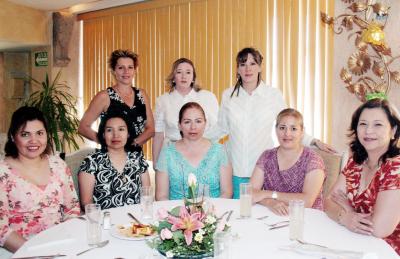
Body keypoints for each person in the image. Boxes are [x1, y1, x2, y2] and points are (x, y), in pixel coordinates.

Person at [216, 47, 335, 198]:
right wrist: (190, 139)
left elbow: (288, 124)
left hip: (263, 171)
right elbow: (220, 129)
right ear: (237, 69)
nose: (248, 69)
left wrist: (314, 141)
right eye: (243, 64)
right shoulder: (228, 95)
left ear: (260, 67)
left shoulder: (272, 95)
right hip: (235, 170)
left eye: (253, 64)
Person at [325, 98, 400, 254]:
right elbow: (327, 202)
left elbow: (379, 229)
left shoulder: (395, 167)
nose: (368, 131)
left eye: (377, 124)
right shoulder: (356, 163)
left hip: (387, 250)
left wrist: (349, 209)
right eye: (363, 124)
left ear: (393, 131)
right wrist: (344, 217)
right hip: (356, 241)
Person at [0, 106, 80, 253]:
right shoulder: (2, 172)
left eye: (39, 133)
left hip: (60, 244)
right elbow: (1, 229)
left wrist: (66, 242)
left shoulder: (58, 165)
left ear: (47, 135)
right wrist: (36, 252)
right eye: (25, 134)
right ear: (13, 137)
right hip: (18, 249)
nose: (34, 140)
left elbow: (72, 209)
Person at [250, 108, 325, 215]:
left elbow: (307, 201)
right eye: (282, 128)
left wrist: (269, 194)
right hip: (272, 217)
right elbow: (251, 193)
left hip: (307, 219)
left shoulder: (313, 160)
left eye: (293, 129)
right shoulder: (266, 156)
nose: (287, 133)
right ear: (276, 130)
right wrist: (270, 202)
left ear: (302, 131)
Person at [78, 49, 154, 154]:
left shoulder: (142, 94)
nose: (126, 72)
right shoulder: (104, 96)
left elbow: (150, 128)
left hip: (136, 156)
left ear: (135, 70)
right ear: (114, 71)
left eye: (130, 67)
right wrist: (108, 143)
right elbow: (83, 127)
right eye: (121, 68)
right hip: (110, 156)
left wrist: (133, 144)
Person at [155, 102, 232, 200]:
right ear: (179, 125)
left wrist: (209, 213)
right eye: (187, 122)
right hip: (177, 213)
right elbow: (161, 196)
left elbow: (227, 192)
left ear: (205, 123)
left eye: (198, 121)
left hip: (213, 212)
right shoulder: (167, 152)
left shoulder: (219, 151)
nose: (193, 127)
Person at [152, 58, 219, 166]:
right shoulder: (163, 100)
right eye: (179, 72)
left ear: (193, 77)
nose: (184, 76)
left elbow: (216, 129)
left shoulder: (208, 97)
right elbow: (158, 135)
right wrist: (156, 164)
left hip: (203, 155)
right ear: (173, 77)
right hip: (172, 156)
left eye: (188, 72)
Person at [79, 112, 151, 210]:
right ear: (103, 134)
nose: (115, 135)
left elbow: (146, 195)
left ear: (128, 133)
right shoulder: (91, 162)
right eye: (109, 130)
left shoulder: (138, 160)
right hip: (105, 221)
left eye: (121, 129)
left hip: (135, 221)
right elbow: (86, 203)